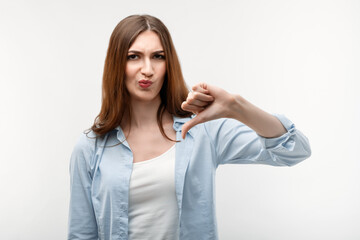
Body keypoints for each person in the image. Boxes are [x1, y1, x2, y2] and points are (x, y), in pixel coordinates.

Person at [68, 14, 311, 240]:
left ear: (168, 64)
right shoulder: (90, 147)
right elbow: (81, 234)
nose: (148, 70)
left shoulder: (202, 130)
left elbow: (294, 150)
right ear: (116, 64)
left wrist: (236, 106)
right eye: (134, 56)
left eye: (158, 56)